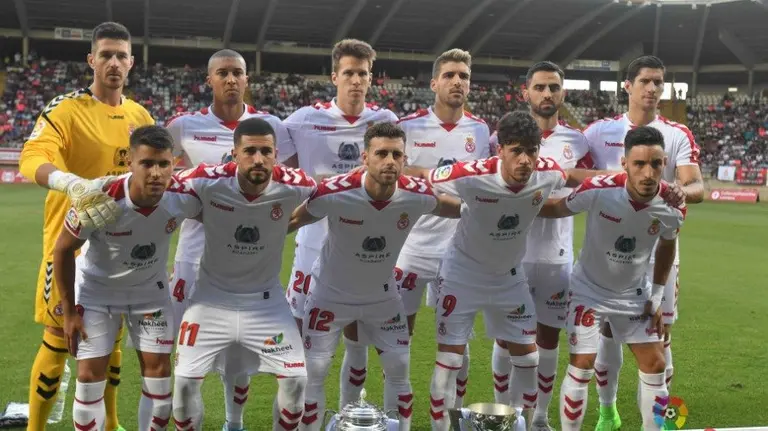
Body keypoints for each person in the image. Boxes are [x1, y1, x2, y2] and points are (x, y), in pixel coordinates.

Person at [19, 21, 154, 431]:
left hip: (117, 251)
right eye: (106, 55)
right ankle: (34, 428)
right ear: (91, 60)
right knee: (60, 341)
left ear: (131, 63)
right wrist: (70, 182)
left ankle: (111, 423)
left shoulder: (139, 114)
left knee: (111, 341)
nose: (114, 62)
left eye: (121, 55)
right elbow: (31, 157)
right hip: (69, 248)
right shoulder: (67, 109)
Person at [288, 122, 462, 431]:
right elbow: (291, 221)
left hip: (383, 298)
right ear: (365, 158)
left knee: (399, 369)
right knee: (314, 371)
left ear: (405, 159)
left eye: (397, 154)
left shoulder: (416, 194)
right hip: (330, 294)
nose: (390, 161)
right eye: (381, 153)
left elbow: (457, 209)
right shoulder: (335, 191)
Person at [427, 111, 580, 431]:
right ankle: (441, 428)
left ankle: (513, 423)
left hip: (509, 278)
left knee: (529, 359)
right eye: (517, 151)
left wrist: (622, 179)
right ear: (500, 151)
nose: (525, 160)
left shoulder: (547, 174)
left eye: (532, 150)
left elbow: (576, 176)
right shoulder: (470, 174)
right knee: (449, 362)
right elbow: (426, 179)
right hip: (462, 274)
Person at [165, 48, 292, 431]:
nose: (232, 79)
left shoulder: (271, 126)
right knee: (189, 352)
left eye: (238, 72)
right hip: (194, 254)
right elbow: (166, 184)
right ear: (210, 80)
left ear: (247, 78)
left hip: (248, 259)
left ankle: (233, 423)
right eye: (223, 73)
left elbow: (283, 186)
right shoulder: (183, 126)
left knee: (237, 351)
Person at [582, 55, 703, 430]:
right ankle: (607, 412)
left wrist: (678, 191)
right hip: (608, 255)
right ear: (627, 86)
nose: (652, 89)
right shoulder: (598, 132)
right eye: (645, 81)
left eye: (658, 83)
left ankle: (660, 424)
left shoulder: (677, 133)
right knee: (606, 333)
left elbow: (697, 185)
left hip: (659, 254)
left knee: (661, 340)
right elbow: (579, 176)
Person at [537, 126, 685, 430]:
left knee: (656, 364)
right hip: (588, 291)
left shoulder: (672, 206)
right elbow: (555, 209)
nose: (648, 173)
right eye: (639, 164)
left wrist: (655, 297)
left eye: (655, 164)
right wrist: (516, 202)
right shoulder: (598, 189)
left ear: (664, 163)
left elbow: (668, 246)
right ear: (625, 164)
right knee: (582, 364)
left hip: (633, 293)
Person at [171, 118, 315, 431]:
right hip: (210, 300)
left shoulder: (297, 184)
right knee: (182, 385)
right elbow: (157, 184)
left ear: (277, 154)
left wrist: (286, 225)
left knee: (296, 382)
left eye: (266, 151)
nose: (259, 159)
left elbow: (328, 197)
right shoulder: (207, 180)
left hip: (267, 303)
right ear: (234, 154)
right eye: (249, 151)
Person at [53, 126, 200, 431]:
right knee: (89, 380)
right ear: (130, 163)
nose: (156, 173)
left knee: (160, 388)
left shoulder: (183, 197)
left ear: (174, 163)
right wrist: (68, 312)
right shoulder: (99, 199)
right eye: (147, 164)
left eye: (164, 163)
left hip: (150, 293)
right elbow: (63, 250)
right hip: (97, 292)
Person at [280, 38, 398, 411]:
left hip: (362, 247)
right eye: (349, 73)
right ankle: (300, 414)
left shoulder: (385, 123)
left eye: (363, 73)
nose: (356, 80)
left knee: (357, 335)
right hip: (312, 240)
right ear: (335, 76)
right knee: (302, 335)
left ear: (371, 77)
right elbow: (276, 170)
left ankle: (349, 413)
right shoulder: (302, 120)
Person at [488, 61, 591, 430]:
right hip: (510, 256)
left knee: (548, 338)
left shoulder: (579, 142)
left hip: (556, 258)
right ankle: (503, 415)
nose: (547, 94)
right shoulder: (501, 136)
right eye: (540, 87)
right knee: (505, 337)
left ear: (562, 93)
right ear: (526, 92)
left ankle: (539, 418)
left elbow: (588, 187)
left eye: (554, 87)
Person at [394, 48, 491, 409]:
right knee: (398, 333)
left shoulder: (480, 131)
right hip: (411, 244)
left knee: (456, 340)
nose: (457, 82)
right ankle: (398, 408)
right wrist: (438, 178)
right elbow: (398, 175)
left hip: (460, 249)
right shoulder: (409, 127)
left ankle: (454, 412)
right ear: (434, 82)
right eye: (449, 75)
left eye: (463, 76)